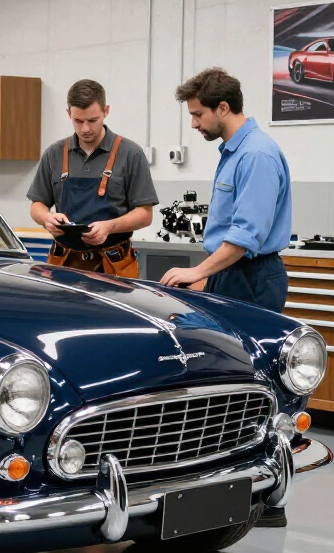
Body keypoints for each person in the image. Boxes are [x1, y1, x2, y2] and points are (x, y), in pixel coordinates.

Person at [159, 67, 293, 528]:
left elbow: (245, 235)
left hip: (252, 278)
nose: (193, 124)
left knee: (260, 384)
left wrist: (198, 272)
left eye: (197, 115)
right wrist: (205, 280)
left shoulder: (256, 155)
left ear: (222, 108)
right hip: (231, 275)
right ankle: (221, 486)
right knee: (223, 383)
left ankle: (270, 495)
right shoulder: (233, 151)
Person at [27, 79, 158, 277]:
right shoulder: (54, 154)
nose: (86, 129)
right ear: (69, 113)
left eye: (93, 120)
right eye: (78, 121)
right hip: (64, 266)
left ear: (106, 111)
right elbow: (37, 205)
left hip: (114, 268)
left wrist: (109, 227)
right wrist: (47, 218)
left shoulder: (131, 154)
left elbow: (145, 214)